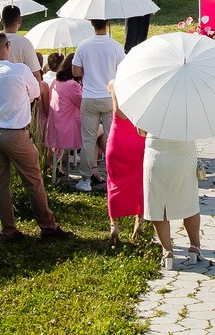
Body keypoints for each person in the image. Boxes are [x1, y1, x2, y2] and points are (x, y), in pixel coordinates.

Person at [0, 32, 68, 240]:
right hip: (16, 132)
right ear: (8, 46)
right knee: (33, 180)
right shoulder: (20, 70)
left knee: (0, 183)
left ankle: (8, 229)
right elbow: (35, 93)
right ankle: (47, 226)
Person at [72, 19, 124, 192]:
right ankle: (114, 175)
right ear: (108, 23)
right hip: (109, 96)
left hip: (89, 97)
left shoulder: (83, 46)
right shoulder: (115, 46)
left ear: (91, 25)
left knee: (88, 139)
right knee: (112, 138)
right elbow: (123, 69)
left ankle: (86, 179)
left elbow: (76, 71)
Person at [144, 124, 204, 269]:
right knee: (189, 199)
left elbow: (141, 131)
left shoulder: (149, 102)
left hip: (155, 151)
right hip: (183, 151)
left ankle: (167, 251)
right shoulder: (189, 102)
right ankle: (194, 247)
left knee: (158, 202)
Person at [105, 107, 146, 247]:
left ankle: (114, 225)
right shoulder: (145, 88)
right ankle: (139, 221)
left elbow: (119, 113)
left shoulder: (114, 86)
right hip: (139, 140)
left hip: (118, 140)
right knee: (140, 182)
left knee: (114, 183)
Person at [46, 56, 83, 178]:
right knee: (98, 133)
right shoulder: (72, 85)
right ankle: (92, 170)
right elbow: (82, 103)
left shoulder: (55, 82)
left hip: (55, 125)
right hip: (68, 128)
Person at [0, 4, 43, 74]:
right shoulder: (24, 42)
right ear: (19, 20)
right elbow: (35, 71)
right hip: (18, 83)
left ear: (1, 21)